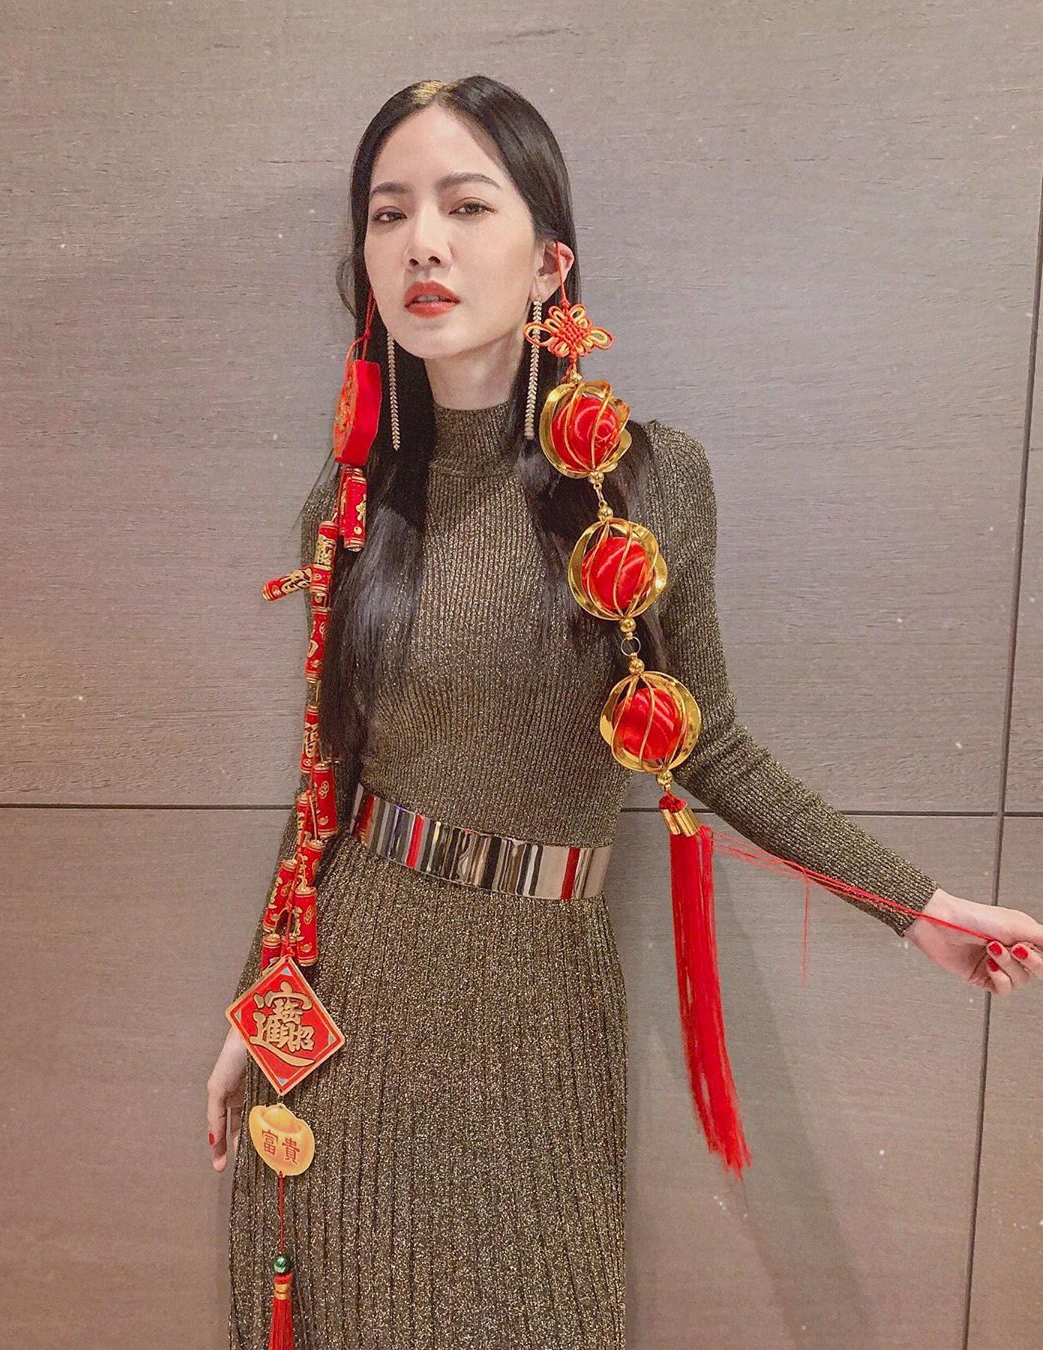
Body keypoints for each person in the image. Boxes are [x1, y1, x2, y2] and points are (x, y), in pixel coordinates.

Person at [207, 75, 1043, 1349]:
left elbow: (709, 741)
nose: (422, 243)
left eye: (465, 205)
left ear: (550, 263)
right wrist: (254, 1010)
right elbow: (327, 785)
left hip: (542, 1001)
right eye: (388, 213)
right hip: (350, 1003)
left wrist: (911, 904)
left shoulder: (648, 482)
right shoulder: (352, 498)